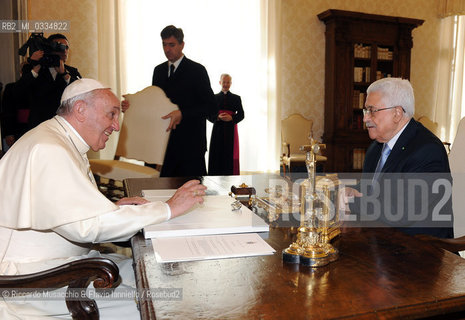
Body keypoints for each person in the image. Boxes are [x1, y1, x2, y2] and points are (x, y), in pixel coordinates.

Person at [0, 78, 207, 319]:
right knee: (162, 304)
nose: (116, 126)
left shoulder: (59, 139)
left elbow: (69, 210)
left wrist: (110, 208)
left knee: (158, 275)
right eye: (111, 114)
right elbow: (87, 227)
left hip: (64, 265)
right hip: (31, 285)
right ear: (80, 110)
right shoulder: (50, 148)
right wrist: (168, 208)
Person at [343, 77, 453, 238]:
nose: (365, 118)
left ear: (397, 113)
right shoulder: (376, 147)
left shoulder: (427, 150)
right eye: (365, 111)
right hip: (383, 240)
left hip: (424, 251)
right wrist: (350, 192)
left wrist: (351, 202)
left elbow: (402, 211)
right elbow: (372, 189)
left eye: (372, 110)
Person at [152, 25, 217, 177]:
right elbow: (154, 102)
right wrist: (133, 106)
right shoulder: (158, 71)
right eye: (164, 44)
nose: (167, 49)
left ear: (182, 45)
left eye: (172, 44)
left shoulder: (197, 70)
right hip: (164, 146)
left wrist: (183, 113)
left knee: (194, 196)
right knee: (162, 195)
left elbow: (211, 107)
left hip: (191, 146)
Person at [19, 33, 82, 129]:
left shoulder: (72, 71)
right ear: (50, 48)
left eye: (67, 48)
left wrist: (64, 74)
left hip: (65, 125)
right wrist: (35, 66)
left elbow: (81, 93)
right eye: (60, 47)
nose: (64, 51)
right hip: (39, 125)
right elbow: (19, 92)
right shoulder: (34, 68)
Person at [208, 74, 244, 175]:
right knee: (216, 154)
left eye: (228, 82)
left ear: (231, 84)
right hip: (217, 130)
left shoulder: (237, 98)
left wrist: (232, 118)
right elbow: (208, 114)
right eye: (224, 82)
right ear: (220, 82)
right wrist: (218, 117)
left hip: (230, 131)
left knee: (229, 155)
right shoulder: (213, 98)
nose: (226, 84)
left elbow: (241, 115)